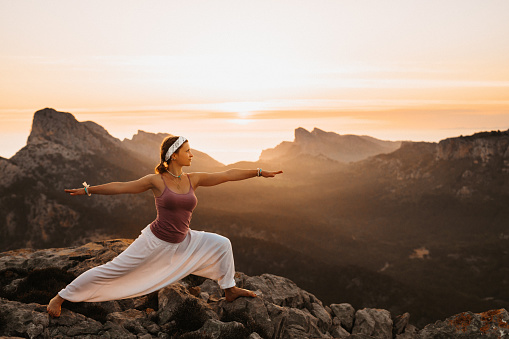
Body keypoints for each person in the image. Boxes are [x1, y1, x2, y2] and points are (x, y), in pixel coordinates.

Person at [47, 136, 283, 317]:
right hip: (155, 241)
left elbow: (227, 174)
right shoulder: (156, 181)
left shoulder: (193, 179)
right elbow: (121, 186)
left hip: (184, 240)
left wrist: (259, 172)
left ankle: (229, 288)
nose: (192, 155)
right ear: (174, 155)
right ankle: (60, 297)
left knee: (222, 243)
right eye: (188, 151)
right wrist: (89, 190)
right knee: (113, 269)